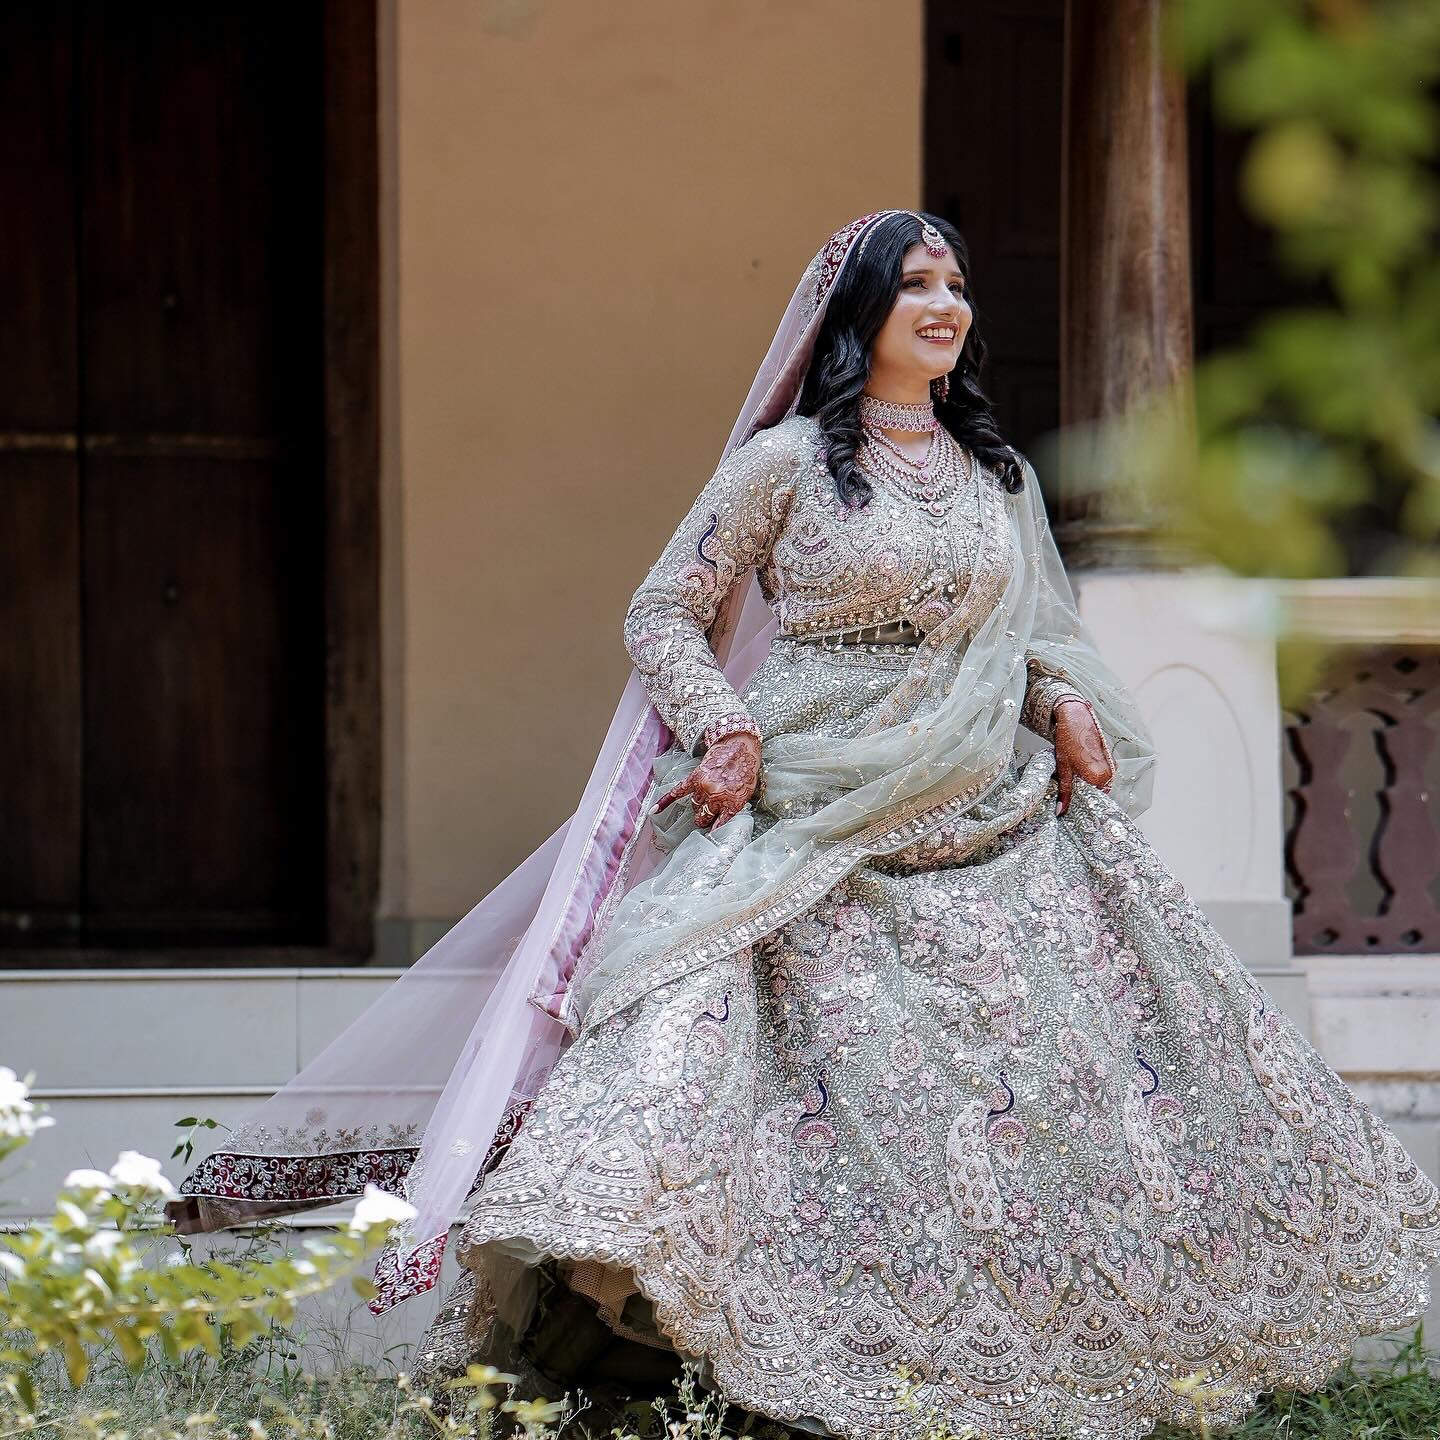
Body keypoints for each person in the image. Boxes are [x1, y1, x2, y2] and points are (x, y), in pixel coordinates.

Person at [172, 211, 1439, 1440]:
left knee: (1086, 1066)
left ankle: (1084, 1347)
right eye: (917, 286)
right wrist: (723, 726)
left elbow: (1040, 631)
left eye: (955, 285)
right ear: (860, 317)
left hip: (988, 801)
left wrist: (1065, 706)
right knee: (712, 1047)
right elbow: (665, 611)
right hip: (809, 803)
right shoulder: (783, 464)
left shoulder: (995, 473)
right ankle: (680, 1356)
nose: (946, 307)